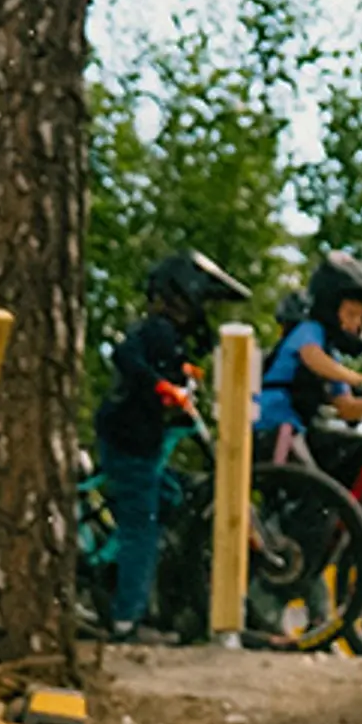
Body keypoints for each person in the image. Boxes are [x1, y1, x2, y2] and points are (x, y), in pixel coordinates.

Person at [90, 248, 249, 641]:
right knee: (141, 530)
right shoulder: (155, 329)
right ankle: (127, 620)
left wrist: (182, 375)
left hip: (139, 444)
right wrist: (161, 386)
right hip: (131, 446)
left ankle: (123, 581)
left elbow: (164, 363)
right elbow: (127, 356)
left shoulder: (167, 336)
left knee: (172, 496)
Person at [253, 248, 362, 468]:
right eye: (351, 314)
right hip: (271, 423)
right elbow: (311, 356)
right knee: (309, 483)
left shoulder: (332, 358)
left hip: (296, 428)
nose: (356, 324)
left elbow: (347, 408)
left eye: (361, 317)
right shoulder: (310, 330)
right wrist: (360, 380)